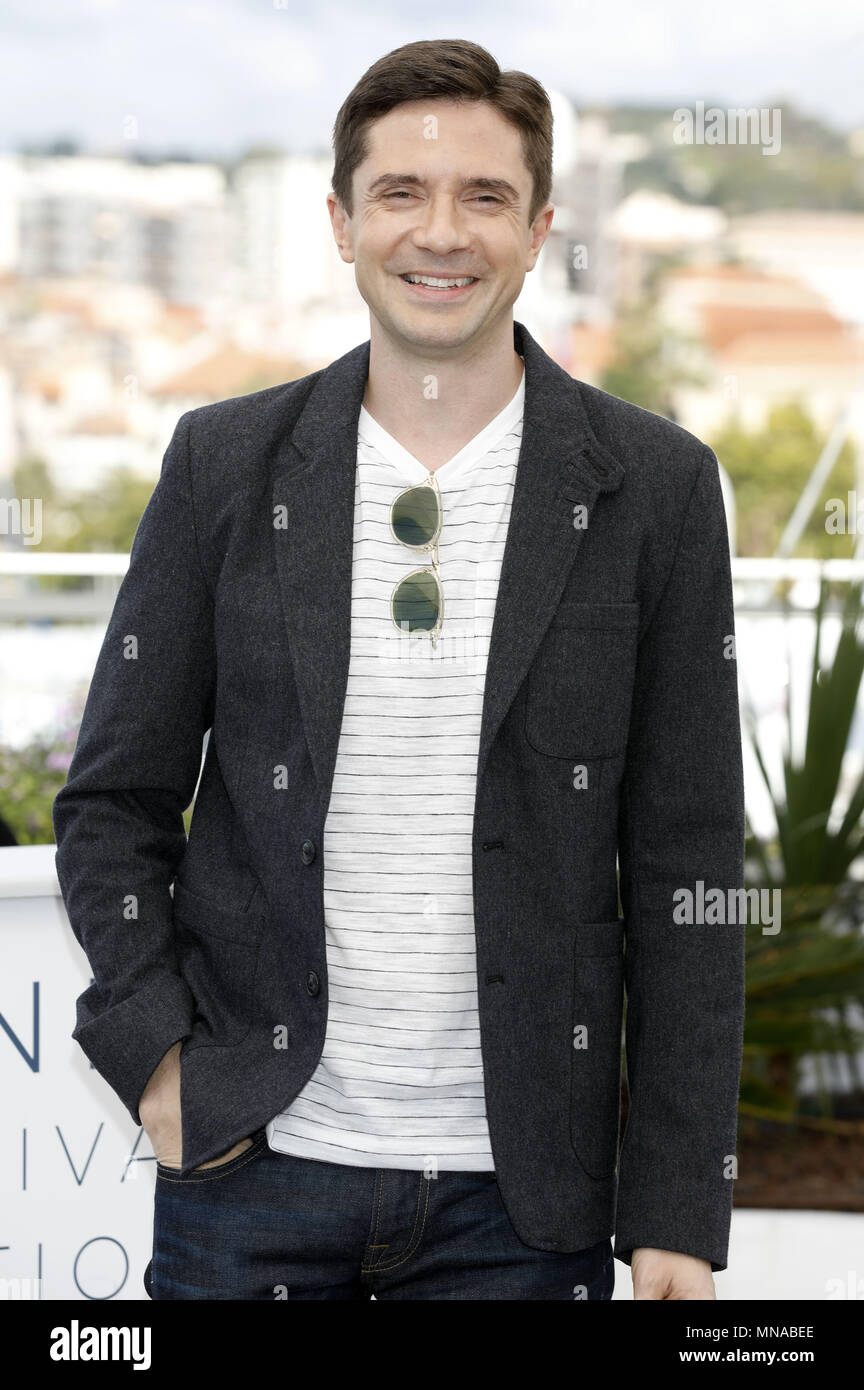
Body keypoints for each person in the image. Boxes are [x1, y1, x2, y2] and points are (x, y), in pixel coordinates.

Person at [53, 38, 746, 1301]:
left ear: (540, 229)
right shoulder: (224, 466)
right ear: (341, 220)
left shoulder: (656, 488)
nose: (444, 233)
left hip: (528, 1207)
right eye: (401, 194)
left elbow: (689, 868)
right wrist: (160, 1062)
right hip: (250, 1174)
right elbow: (114, 801)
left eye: (485, 197)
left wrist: (679, 1209)